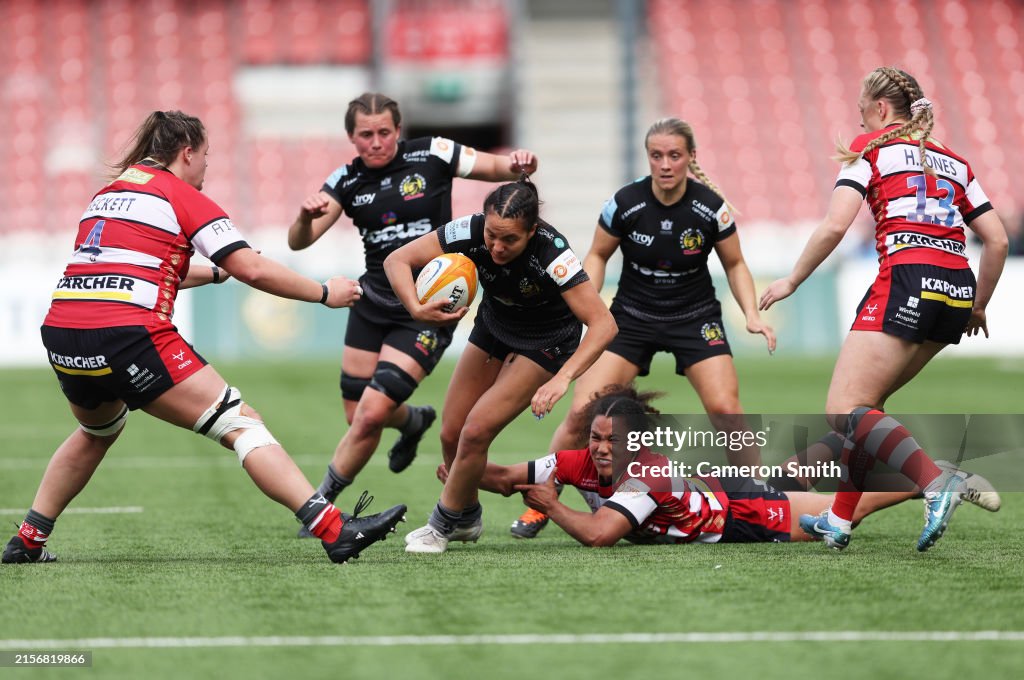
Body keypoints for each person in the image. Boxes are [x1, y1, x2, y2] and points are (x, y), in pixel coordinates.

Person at [2, 111, 406, 566]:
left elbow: (140, 267)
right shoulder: (180, 195)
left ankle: (28, 540)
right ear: (187, 152)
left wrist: (214, 273)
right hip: (126, 333)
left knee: (96, 431)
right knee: (241, 424)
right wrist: (324, 293)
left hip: (63, 332)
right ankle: (335, 531)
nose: (206, 169)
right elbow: (251, 266)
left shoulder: (108, 195)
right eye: (206, 158)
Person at [759, 67, 1009, 551]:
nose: (860, 120)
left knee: (843, 409)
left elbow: (834, 227)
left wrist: (792, 278)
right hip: (956, 288)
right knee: (866, 411)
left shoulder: (869, 149)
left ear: (879, 109)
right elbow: (996, 240)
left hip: (906, 280)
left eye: (861, 111)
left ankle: (936, 484)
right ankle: (839, 518)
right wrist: (979, 306)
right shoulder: (955, 161)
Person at [510, 117, 775, 540]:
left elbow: (735, 263)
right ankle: (543, 500)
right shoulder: (625, 203)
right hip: (632, 318)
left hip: (695, 318)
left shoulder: (711, 207)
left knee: (726, 409)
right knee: (582, 411)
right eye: (657, 155)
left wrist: (752, 315)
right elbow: (596, 256)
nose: (665, 164)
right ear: (647, 157)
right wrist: (587, 304)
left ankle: (756, 495)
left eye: (674, 155)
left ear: (690, 157)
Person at [287, 93, 538, 536]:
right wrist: (305, 219)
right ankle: (414, 419)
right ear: (352, 138)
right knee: (357, 414)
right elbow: (298, 242)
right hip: (372, 302)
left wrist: (519, 164)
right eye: (366, 135)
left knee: (368, 416)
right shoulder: (345, 180)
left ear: (398, 131)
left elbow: (498, 169)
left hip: (426, 306)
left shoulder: (434, 153)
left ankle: (320, 505)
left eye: (385, 132)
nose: (377, 142)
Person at [383, 179, 617, 553]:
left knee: (475, 432)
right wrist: (415, 306)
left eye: (509, 240)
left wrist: (562, 379)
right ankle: (467, 518)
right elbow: (397, 260)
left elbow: (604, 324)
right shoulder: (470, 230)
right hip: (495, 325)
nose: (495, 247)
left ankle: (440, 527)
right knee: (450, 433)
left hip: (548, 341)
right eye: (491, 235)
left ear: (532, 232)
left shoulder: (554, 253)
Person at [440, 385, 967, 547]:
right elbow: (509, 479)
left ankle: (932, 478)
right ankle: (847, 441)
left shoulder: (645, 474)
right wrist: (464, 468)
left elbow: (601, 534)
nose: (600, 449)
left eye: (611, 441)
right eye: (595, 438)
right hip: (721, 487)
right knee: (819, 455)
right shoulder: (583, 459)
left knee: (842, 507)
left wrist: (551, 506)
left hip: (745, 514)